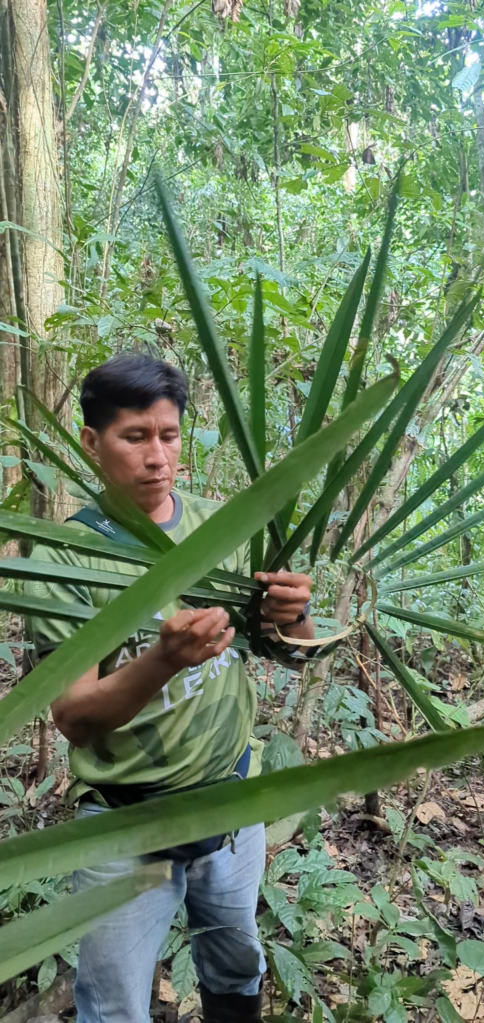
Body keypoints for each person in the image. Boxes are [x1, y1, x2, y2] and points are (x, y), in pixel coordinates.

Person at [26, 354, 314, 1023]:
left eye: (170, 435)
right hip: (126, 820)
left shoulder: (223, 527)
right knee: (115, 1001)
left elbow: (290, 653)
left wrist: (295, 611)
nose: (158, 456)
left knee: (236, 962)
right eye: (136, 437)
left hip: (231, 802)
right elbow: (73, 715)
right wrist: (162, 659)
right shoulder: (65, 556)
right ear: (92, 442)